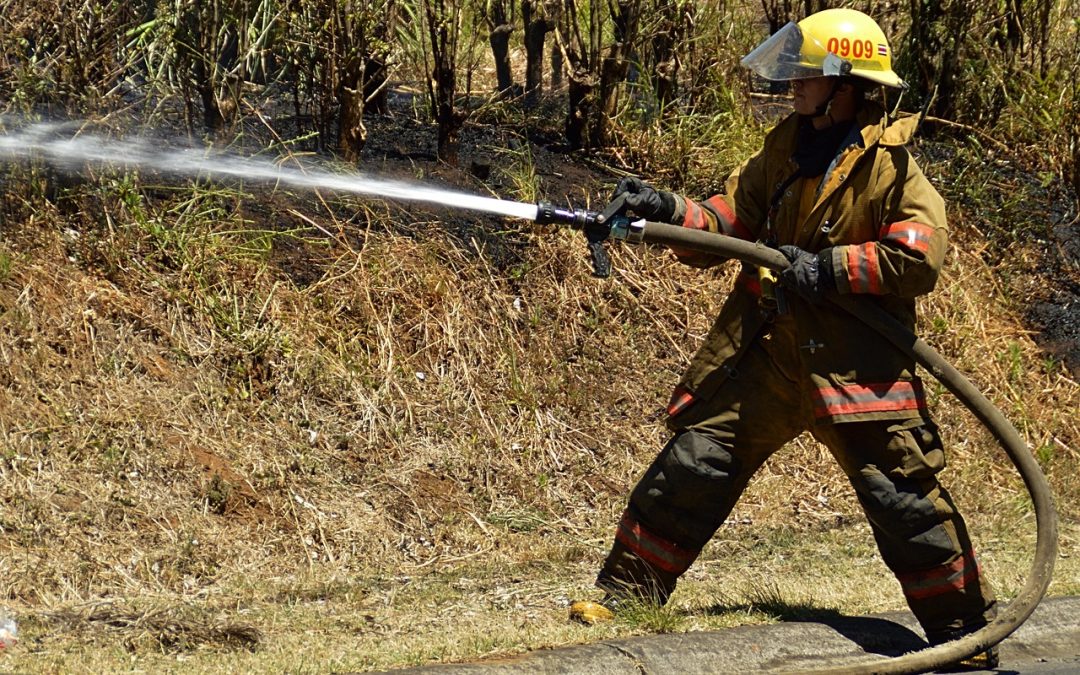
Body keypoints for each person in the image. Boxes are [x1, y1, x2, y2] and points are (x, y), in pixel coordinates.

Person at [572, 7, 998, 667]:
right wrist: (665, 209)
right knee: (694, 463)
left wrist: (831, 267)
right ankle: (628, 593)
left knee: (903, 502)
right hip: (769, 355)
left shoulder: (892, 168)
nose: (792, 86)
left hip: (857, 370)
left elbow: (920, 257)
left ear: (846, 83)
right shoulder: (786, 146)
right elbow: (729, 219)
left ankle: (967, 639)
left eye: (806, 75)